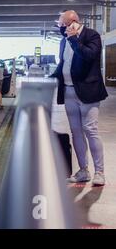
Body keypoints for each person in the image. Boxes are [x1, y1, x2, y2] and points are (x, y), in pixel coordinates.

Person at [51, 10, 108, 186]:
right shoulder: (63, 41)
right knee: (76, 132)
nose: (61, 29)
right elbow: (63, 64)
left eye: (63, 26)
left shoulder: (92, 36)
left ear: (74, 22)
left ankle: (100, 172)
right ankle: (83, 170)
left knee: (90, 130)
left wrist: (74, 39)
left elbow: (89, 56)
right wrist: (51, 77)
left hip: (88, 91)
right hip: (69, 92)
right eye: (60, 26)